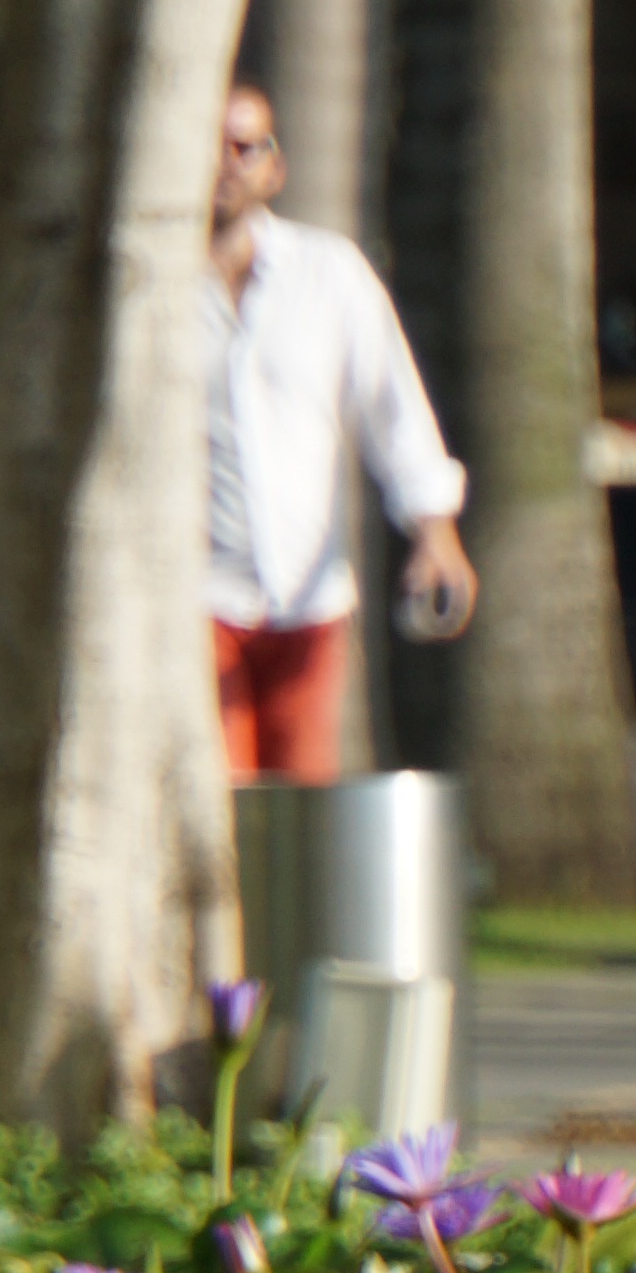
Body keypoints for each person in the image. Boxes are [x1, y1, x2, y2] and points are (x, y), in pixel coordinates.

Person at [204, 82, 473, 786]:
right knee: (222, 799)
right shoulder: (144, 280)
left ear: (274, 168)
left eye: (243, 146)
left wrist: (434, 533)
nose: (224, 163)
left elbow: (393, 407)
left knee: (301, 803)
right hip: (196, 597)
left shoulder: (328, 273)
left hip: (308, 597)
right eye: (209, 145)